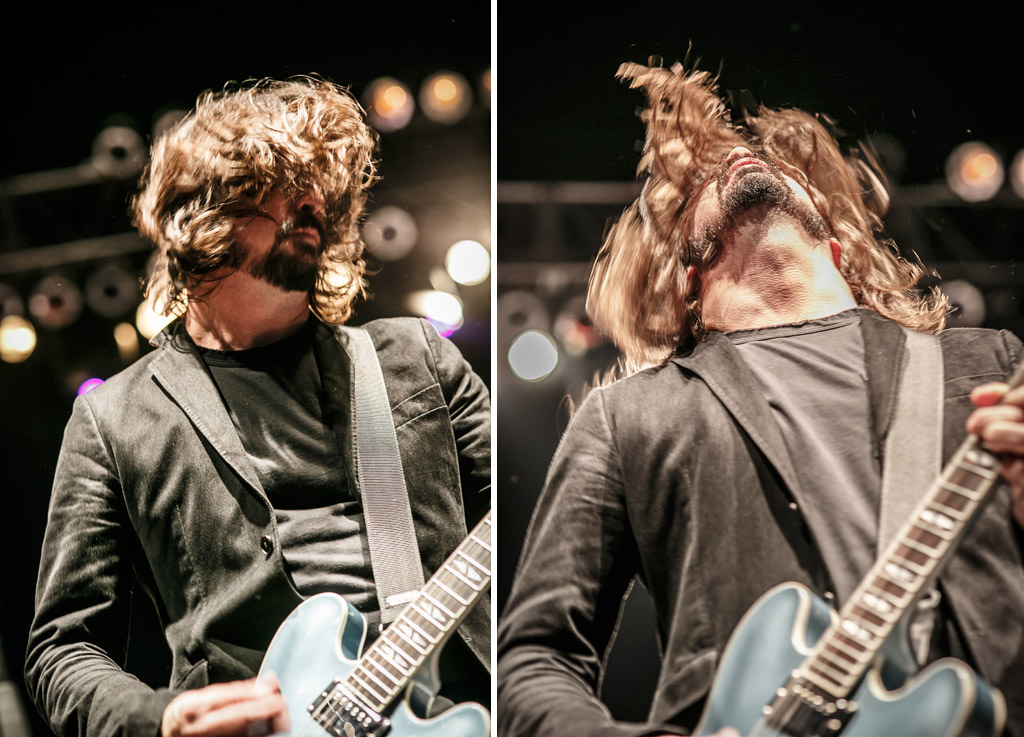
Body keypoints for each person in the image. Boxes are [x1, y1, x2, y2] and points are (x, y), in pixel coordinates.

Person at [497, 58, 1024, 737]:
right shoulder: (631, 413)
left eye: (773, 163)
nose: (740, 162)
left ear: (835, 243)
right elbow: (535, 656)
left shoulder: (991, 364)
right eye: (703, 184)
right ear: (684, 277)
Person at [24, 76, 491, 737]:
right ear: (202, 219)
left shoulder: (413, 357)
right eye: (281, 187)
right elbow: (61, 648)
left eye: (321, 191)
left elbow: (537, 509)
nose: (312, 205)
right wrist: (161, 716)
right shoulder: (114, 418)